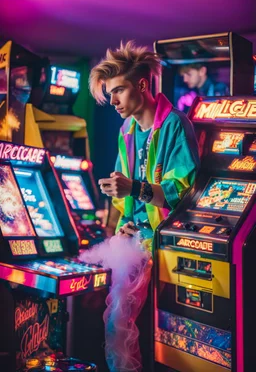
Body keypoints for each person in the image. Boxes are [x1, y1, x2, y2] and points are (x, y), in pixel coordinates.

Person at [89, 40, 200, 371]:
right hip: (137, 239)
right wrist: (124, 215)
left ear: (141, 84)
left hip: (169, 244)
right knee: (117, 325)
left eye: (118, 91)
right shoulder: (126, 130)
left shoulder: (175, 125)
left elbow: (181, 192)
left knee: (140, 329)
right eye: (109, 94)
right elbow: (128, 196)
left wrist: (133, 187)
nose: (113, 101)